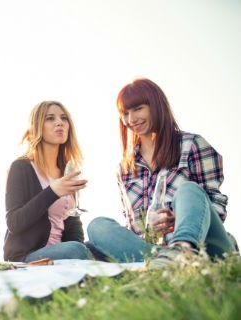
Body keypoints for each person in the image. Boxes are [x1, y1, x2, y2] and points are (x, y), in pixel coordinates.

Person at [87, 78, 235, 268]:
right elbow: (133, 226)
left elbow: (216, 205)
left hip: (206, 247)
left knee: (189, 189)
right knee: (97, 226)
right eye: (125, 113)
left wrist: (180, 219)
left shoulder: (192, 145)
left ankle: (182, 250)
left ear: (156, 106)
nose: (131, 119)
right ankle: (164, 261)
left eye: (138, 109)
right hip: (153, 251)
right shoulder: (125, 169)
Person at [4, 101, 92, 262]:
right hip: (28, 255)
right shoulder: (21, 168)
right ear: (37, 126)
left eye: (64, 118)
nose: (60, 122)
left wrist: (82, 252)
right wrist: (52, 192)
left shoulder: (67, 169)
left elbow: (71, 220)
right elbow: (14, 222)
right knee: (77, 250)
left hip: (64, 250)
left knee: (99, 236)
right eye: (50, 118)